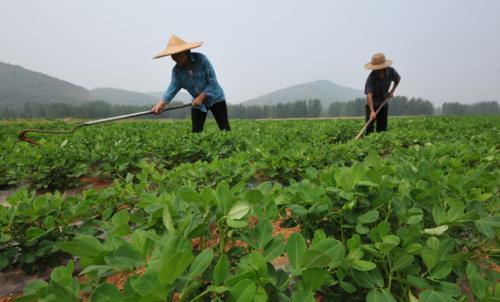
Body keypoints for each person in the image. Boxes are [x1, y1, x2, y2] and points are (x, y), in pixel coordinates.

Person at [152, 35, 230, 132]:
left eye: (176, 54)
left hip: (216, 98)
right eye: (172, 55)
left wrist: (201, 97)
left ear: (185, 52)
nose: (173, 58)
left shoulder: (202, 60)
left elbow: (213, 83)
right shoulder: (177, 72)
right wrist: (161, 103)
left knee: (225, 129)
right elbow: (172, 88)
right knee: (195, 133)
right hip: (198, 104)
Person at [364, 53, 401, 134]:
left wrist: (391, 91)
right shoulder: (371, 77)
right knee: (369, 127)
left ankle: (381, 143)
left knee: (382, 128)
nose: (377, 70)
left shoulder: (391, 71)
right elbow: (369, 95)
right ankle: (369, 143)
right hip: (372, 104)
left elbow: (397, 79)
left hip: (383, 103)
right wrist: (372, 111)